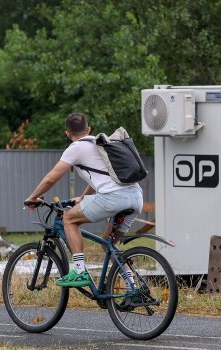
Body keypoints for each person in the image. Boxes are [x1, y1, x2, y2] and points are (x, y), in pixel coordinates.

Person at [25, 112, 143, 287]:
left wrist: (33, 197)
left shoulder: (76, 148)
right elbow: (99, 177)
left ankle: (79, 272)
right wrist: (82, 198)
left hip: (113, 198)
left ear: (68, 133)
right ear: (88, 129)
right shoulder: (101, 143)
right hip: (135, 196)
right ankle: (133, 287)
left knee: (69, 219)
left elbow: (51, 178)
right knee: (108, 244)